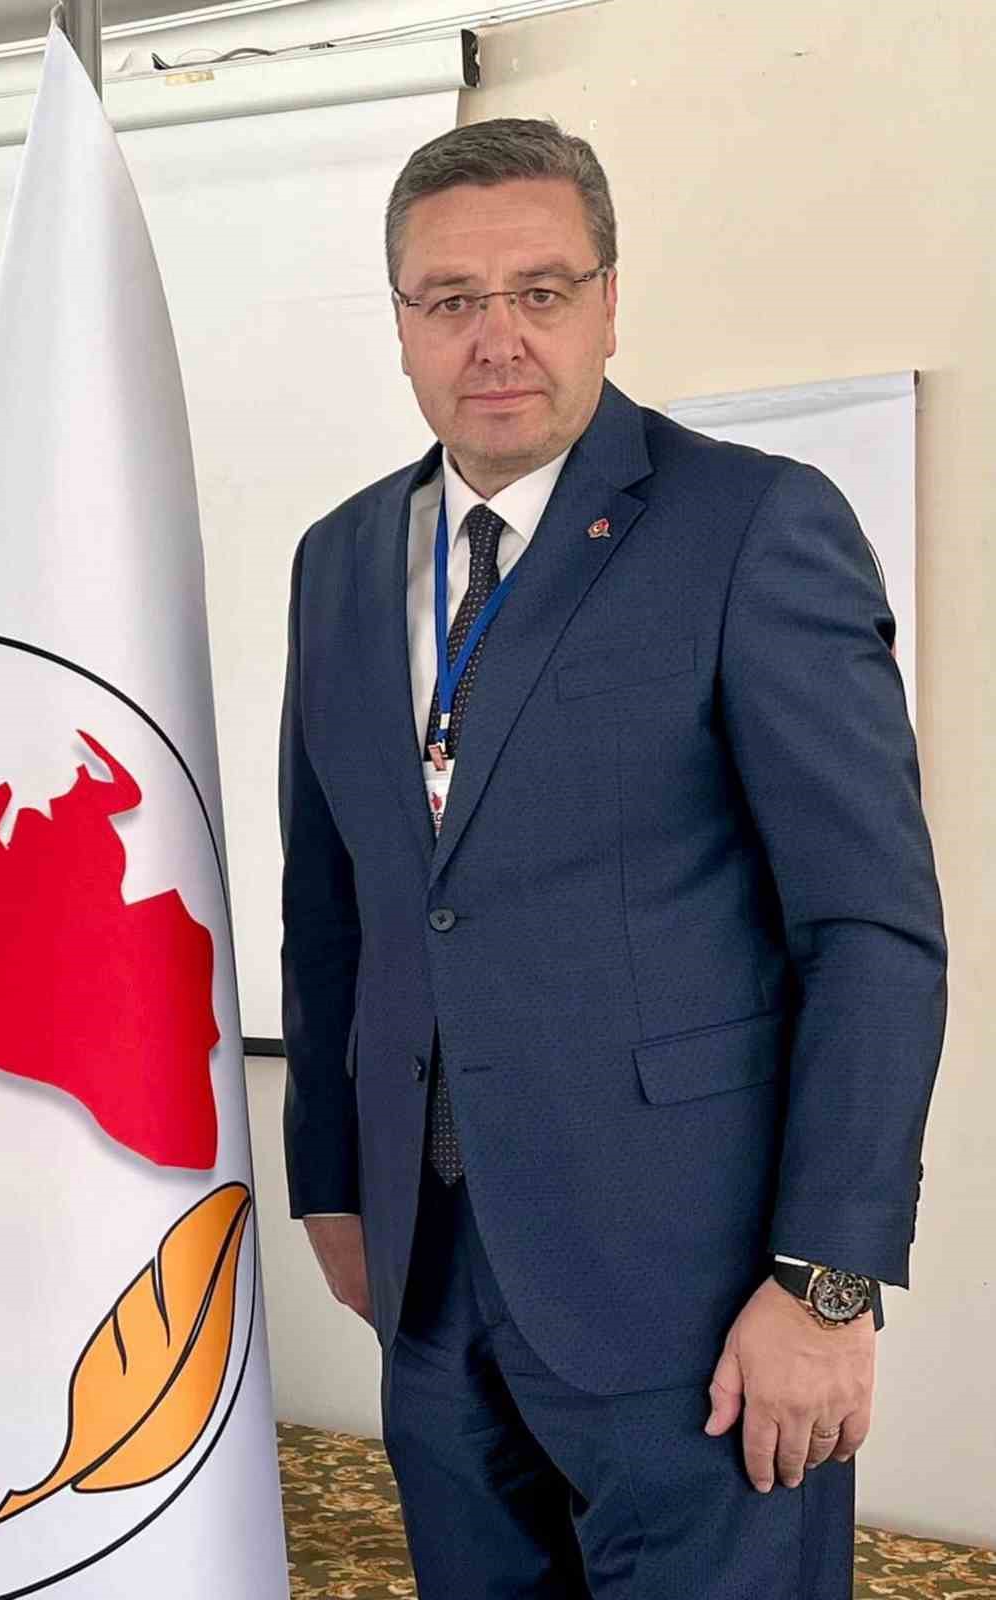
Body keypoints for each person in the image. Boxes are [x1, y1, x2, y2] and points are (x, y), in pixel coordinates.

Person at [278, 118, 946, 1598]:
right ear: (400, 323)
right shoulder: (338, 561)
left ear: (609, 301)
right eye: (451, 299)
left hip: (698, 1299)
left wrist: (826, 1283)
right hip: (430, 1284)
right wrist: (331, 1182)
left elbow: (870, 933)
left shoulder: (750, 526)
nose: (496, 336)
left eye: (540, 289)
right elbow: (332, 909)